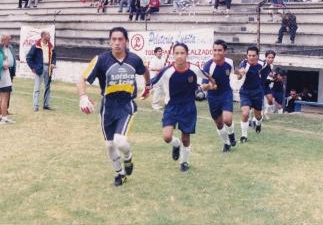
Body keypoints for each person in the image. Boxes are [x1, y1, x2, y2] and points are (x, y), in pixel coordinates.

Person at [77, 27, 151, 186]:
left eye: (120, 39)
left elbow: (145, 70)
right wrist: (83, 97)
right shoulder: (101, 60)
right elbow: (82, 79)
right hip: (108, 107)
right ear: (110, 41)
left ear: (126, 41)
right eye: (114, 39)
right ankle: (120, 173)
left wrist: (148, 85)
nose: (117, 43)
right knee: (110, 145)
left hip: (126, 105)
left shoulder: (134, 59)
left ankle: (128, 157)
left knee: (120, 141)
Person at [150, 43, 216, 172]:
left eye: (182, 53)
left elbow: (207, 75)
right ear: (173, 55)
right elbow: (151, 82)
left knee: (186, 137)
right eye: (177, 53)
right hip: (171, 107)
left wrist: (213, 83)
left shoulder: (194, 69)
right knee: (167, 137)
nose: (179, 56)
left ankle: (184, 162)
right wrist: (144, 89)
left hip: (188, 107)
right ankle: (176, 145)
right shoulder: (167, 71)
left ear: (187, 54)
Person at [203, 40, 236, 152]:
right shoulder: (208, 66)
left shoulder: (230, 62)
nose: (216, 52)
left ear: (225, 51)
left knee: (227, 119)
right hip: (213, 97)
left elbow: (232, 74)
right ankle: (226, 143)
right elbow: (204, 86)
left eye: (219, 50)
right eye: (215, 50)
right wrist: (210, 86)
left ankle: (231, 135)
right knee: (219, 123)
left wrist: (240, 75)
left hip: (226, 93)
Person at [237, 46, 265, 142]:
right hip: (245, 92)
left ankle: (258, 124)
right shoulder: (243, 63)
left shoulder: (262, 64)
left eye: (253, 55)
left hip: (257, 92)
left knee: (258, 116)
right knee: (245, 113)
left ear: (257, 56)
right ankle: (244, 136)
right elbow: (240, 73)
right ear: (247, 55)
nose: (251, 57)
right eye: (249, 55)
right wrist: (240, 73)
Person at [26, 31, 57, 112]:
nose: (50, 37)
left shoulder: (50, 46)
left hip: (48, 68)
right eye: (48, 35)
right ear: (43, 36)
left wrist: (53, 63)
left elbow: (54, 56)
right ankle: (35, 106)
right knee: (37, 88)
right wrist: (33, 68)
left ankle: (46, 105)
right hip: (39, 68)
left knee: (47, 87)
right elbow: (28, 57)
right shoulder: (36, 46)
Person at [260, 50, 276, 117]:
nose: (271, 59)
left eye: (272, 57)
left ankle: (266, 112)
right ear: (265, 57)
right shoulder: (262, 64)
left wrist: (272, 75)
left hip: (266, 84)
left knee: (270, 100)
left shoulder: (271, 66)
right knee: (260, 102)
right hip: (259, 85)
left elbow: (270, 73)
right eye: (269, 57)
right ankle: (260, 116)